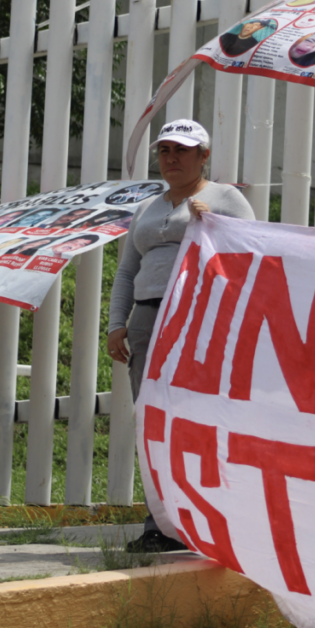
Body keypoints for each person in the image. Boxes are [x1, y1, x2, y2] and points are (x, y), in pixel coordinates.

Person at [107, 118, 255, 554]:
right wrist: (117, 323)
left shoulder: (226, 199)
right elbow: (127, 270)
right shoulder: (147, 208)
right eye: (165, 150)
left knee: (200, 418)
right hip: (147, 319)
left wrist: (214, 226)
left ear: (204, 156)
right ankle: (162, 523)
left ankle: (210, 518)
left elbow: (251, 254)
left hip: (200, 318)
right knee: (154, 421)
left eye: (182, 150)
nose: (171, 158)